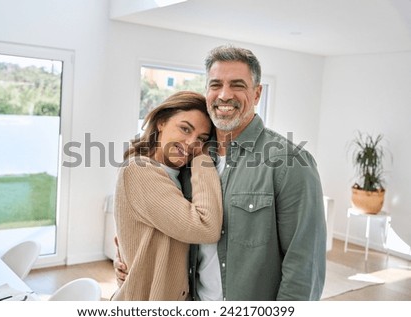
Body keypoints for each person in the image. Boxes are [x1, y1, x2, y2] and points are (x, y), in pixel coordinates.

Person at [115, 45, 327, 301]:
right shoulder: (189, 160)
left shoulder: (290, 163)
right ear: (207, 92)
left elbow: (305, 268)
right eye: (216, 85)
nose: (225, 95)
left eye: (237, 85)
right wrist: (130, 260)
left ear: (257, 93)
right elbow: (157, 228)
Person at [110, 91, 223, 301]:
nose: (191, 143)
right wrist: (203, 158)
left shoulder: (177, 174)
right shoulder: (139, 170)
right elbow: (206, 227)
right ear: (161, 122)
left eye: (201, 139)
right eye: (185, 128)